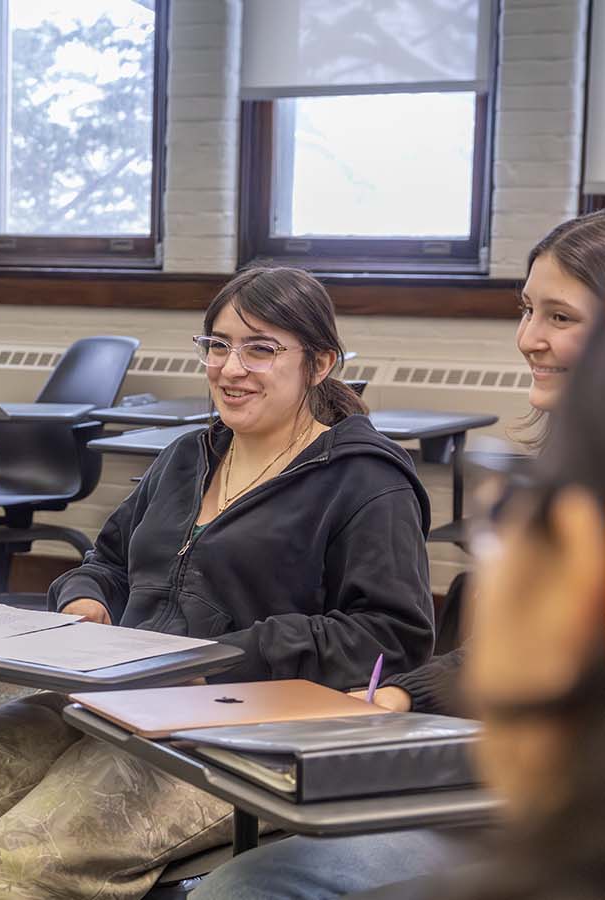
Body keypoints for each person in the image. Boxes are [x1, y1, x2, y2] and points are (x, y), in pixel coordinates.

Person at [0, 266, 435, 900]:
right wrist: (86, 600)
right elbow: (105, 560)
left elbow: (391, 635)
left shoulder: (365, 481)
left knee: (17, 862)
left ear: (320, 363)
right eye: (217, 345)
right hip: (114, 702)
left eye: (261, 348)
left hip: (242, 733)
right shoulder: (187, 457)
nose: (230, 368)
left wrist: (223, 659)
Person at [191, 209, 605, 900]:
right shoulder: (188, 458)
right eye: (528, 309)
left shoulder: (367, 477)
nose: (528, 338)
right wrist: (400, 693)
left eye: (561, 317)